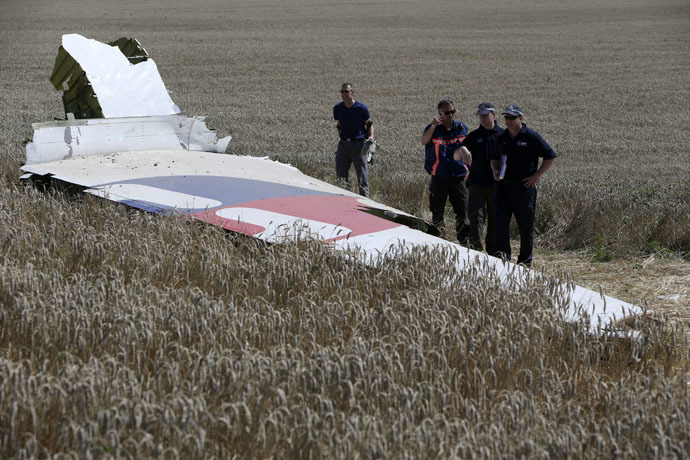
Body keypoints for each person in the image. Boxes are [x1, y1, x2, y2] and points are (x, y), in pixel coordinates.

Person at [491, 104, 556, 266]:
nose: (508, 121)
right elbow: (494, 157)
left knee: (525, 227)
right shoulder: (501, 137)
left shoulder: (531, 137)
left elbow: (550, 156)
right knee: (500, 224)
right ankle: (503, 259)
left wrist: (536, 176)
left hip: (524, 188)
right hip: (503, 187)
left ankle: (525, 262)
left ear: (521, 118)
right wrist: (494, 170)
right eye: (506, 117)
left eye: (512, 118)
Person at [421, 99, 472, 241]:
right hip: (439, 176)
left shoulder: (462, 128)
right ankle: (440, 240)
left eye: (452, 112)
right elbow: (424, 141)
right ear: (440, 114)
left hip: (458, 176)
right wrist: (433, 126)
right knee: (437, 212)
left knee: (463, 211)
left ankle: (464, 242)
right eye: (447, 112)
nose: (451, 115)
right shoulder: (433, 129)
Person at [462, 102, 504, 255]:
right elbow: (461, 147)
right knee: (476, 216)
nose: (483, 119)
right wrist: (464, 149)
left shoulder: (503, 135)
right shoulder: (474, 135)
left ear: (494, 114)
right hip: (477, 183)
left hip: (497, 185)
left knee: (495, 217)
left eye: (486, 115)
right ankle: (476, 249)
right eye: (481, 116)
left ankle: (492, 250)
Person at [333, 83, 374, 197]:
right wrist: (342, 137)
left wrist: (370, 137)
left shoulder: (361, 108)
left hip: (359, 146)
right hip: (344, 145)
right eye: (342, 92)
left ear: (352, 93)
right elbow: (338, 124)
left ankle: (365, 203)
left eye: (346, 92)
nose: (344, 94)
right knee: (341, 177)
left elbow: (369, 124)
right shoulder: (337, 108)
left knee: (362, 178)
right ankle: (344, 200)